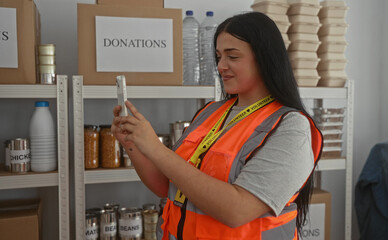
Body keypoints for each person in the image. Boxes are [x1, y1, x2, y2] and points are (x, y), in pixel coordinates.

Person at [112, 12, 323, 240]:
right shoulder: (211, 112)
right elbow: (168, 187)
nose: (221, 66)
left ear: (265, 59)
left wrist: (155, 148)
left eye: (232, 56)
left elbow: (237, 209)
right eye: (218, 56)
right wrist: (133, 145)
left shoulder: (290, 127)